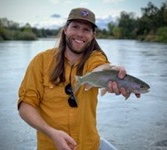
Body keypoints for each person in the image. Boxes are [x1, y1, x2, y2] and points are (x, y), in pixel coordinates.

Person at [17, 7, 140, 150]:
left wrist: (114, 73)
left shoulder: (96, 58)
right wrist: (51, 133)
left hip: (89, 146)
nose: (80, 34)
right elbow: (25, 105)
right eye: (75, 27)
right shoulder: (40, 62)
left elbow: (100, 68)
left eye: (86, 29)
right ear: (65, 29)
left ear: (93, 35)